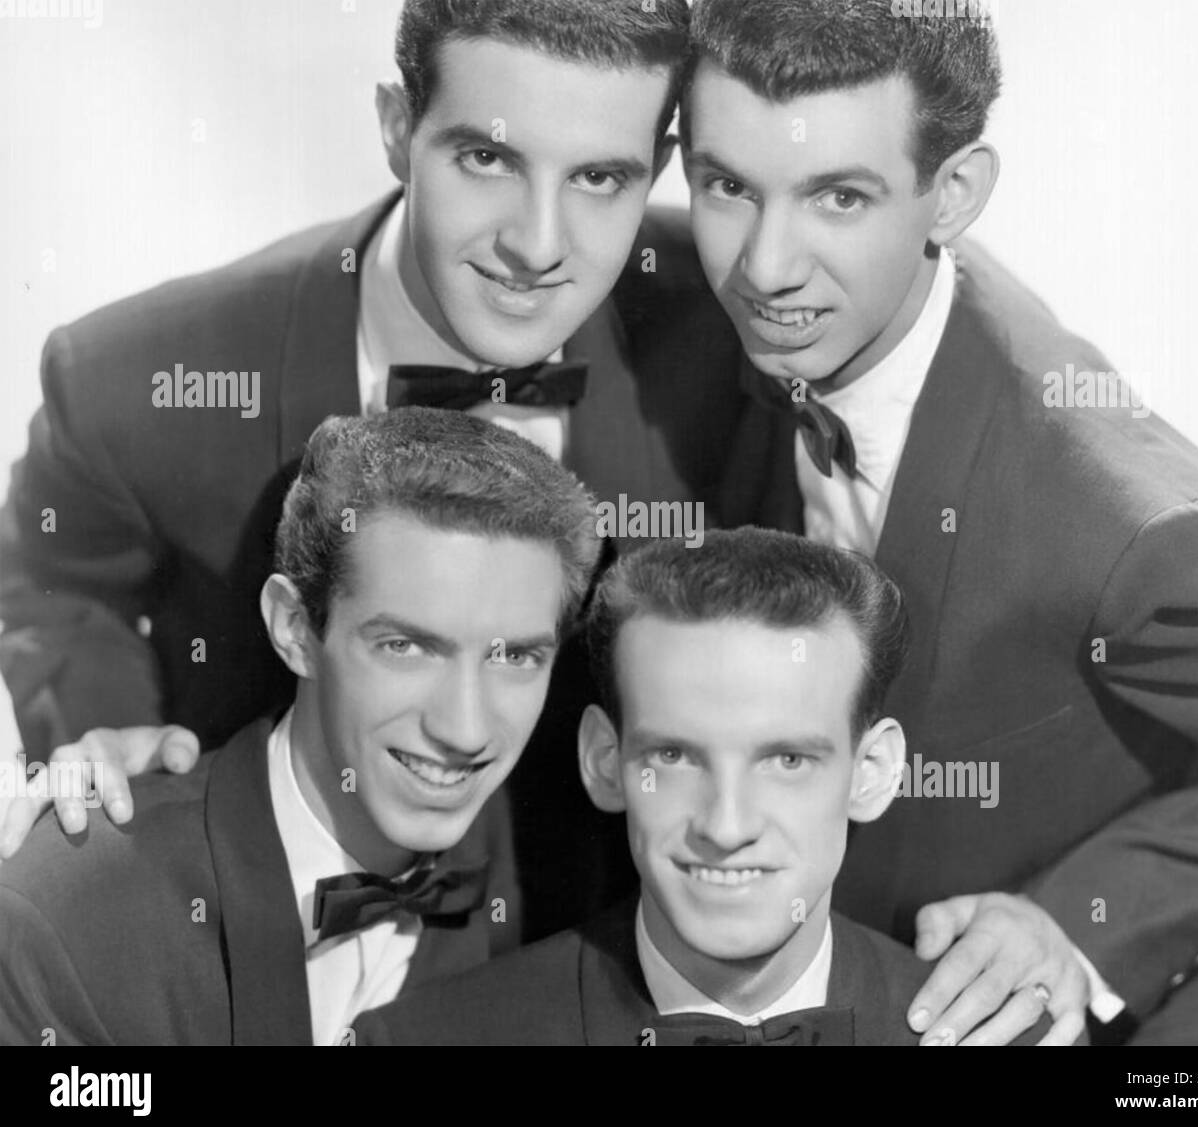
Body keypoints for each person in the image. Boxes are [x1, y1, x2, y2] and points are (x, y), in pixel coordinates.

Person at [0, 0, 742, 937]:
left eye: (599, 176)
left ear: (660, 169)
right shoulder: (139, 378)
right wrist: (107, 732)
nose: (538, 245)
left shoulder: (729, 322)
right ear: (397, 130)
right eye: (487, 158)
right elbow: (57, 577)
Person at [686, 0, 1198, 1045]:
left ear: (953, 194)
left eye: (839, 196)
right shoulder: (728, 318)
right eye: (726, 186)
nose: (765, 266)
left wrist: (1079, 925)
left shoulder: (1130, 529)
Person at [0, 408, 600, 1045]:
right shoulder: (66, 915)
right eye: (406, 646)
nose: (465, 728)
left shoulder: (544, 886)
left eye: (516, 658)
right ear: (294, 629)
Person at [356, 528, 1050, 1045]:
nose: (726, 826)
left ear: (871, 774)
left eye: (787, 761)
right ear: (605, 761)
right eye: (678, 756)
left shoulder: (1008, 1037)